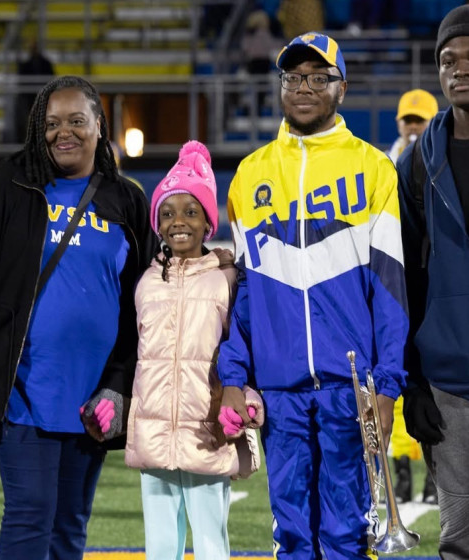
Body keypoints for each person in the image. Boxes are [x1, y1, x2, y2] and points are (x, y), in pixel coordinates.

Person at [0, 75, 156, 560]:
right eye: (52, 123)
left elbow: (145, 305)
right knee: (30, 512)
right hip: (22, 391)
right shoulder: (7, 188)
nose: (64, 132)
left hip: (93, 400)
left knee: (70, 523)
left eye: (77, 121)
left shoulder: (127, 200)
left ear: (99, 126)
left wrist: (119, 384)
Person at [217, 32, 408, 559]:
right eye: (294, 77)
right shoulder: (249, 175)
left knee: (347, 537)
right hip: (279, 389)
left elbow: (390, 287)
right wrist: (233, 376)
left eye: (318, 77)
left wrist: (387, 385)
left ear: (341, 88)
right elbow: (245, 294)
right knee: (293, 536)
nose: (304, 87)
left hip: (351, 388)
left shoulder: (373, 168)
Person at [123, 140, 263, 560]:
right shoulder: (146, 281)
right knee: (160, 545)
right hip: (154, 432)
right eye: (167, 213)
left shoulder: (228, 280)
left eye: (190, 211)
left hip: (208, 431)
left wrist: (248, 399)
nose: (178, 222)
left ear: (208, 222)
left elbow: (244, 348)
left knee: (211, 542)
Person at [397, 5, 469, 558]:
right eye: (448, 60)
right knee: (459, 541)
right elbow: (405, 280)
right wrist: (414, 383)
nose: (459, 69)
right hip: (449, 384)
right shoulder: (417, 162)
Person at [385, 87, 439, 505]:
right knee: (399, 385)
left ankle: (434, 479)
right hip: (397, 282)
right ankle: (402, 476)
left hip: (432, 285)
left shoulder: (441, 160)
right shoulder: (386, 165)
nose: (414, 127)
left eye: (421, 120)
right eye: (409, 120)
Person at [387, 89, 439, 165]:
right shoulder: (383, 162)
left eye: (420, 120)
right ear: (398, 123)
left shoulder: (447, 159)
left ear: (435, 123)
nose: (413, 126)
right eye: (407, 120)